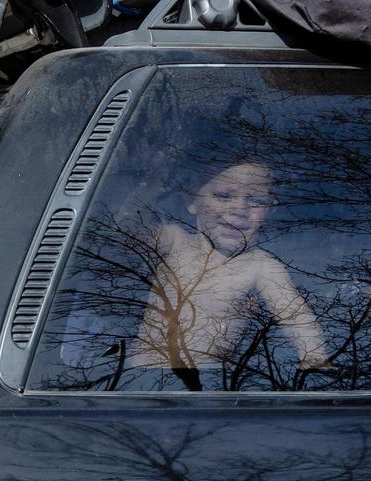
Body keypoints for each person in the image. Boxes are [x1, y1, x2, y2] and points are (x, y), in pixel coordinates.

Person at [131, 159, 328, 390]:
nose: (239, 209)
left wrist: (316, 360)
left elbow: (296, 317)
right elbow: (124, 231)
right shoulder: (174, 241)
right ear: (191, 200)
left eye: (256, 201)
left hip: (201, 384)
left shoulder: (261, 266)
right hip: (134, 377)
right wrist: (152, 181)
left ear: (271, 210)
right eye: (224, 196)